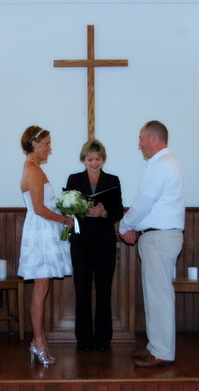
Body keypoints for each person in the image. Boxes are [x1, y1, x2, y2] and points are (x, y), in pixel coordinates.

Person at [119, 120, 186, 368]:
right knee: (154, 295)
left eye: (141, 138)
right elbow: (147, 204)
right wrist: (133, 226)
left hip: (160, 237)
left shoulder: (163, 165)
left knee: (159, 296)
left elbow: (144, 203)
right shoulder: (162, 164)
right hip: (156, 236)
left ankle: (163, 351)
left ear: (154, 138)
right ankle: (155, 345)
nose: (139, 144)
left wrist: (125, 226)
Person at [18, 125, 73, 365]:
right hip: (41, 232)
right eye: (47, 144)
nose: (50, 149)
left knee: (43, 287)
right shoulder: (33, 169)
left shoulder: (33, 168)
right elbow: (40, 208)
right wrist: (65, 219)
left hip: (42, 230)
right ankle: (38, 342)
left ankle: (39, 341)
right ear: (34, 144)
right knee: (41, 289)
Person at [65, 139, 124, 351]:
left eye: (98, 159)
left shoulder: (112, 180)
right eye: (90, 159)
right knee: (82, 291)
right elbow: (67, 209)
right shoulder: (74, 179)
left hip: (105, 242)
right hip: (81, 243)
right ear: (83, 159)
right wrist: (78, 210)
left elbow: (117, 211)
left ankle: (102, 340)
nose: (94, 162)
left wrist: (104, 213)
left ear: (103, 159)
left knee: (103, 291)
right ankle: (83, 340)